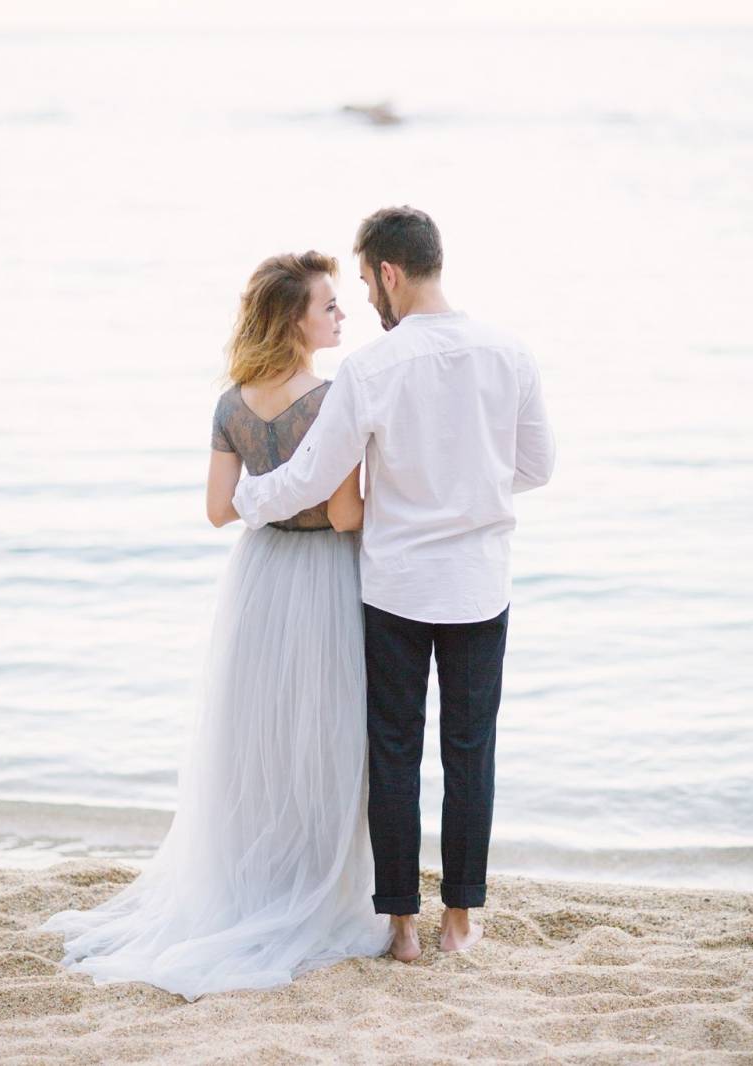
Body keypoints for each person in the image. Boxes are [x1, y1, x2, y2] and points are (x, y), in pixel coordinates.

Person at [39, 251, 393, 1001]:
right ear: (295, 320)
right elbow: (343, 514)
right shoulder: (330, 399)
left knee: (256, 741)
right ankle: (313, 888)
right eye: (329, 305)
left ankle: (256, 881)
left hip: (258, 578)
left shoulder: (232, 403)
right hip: (324, 578)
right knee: (323, 742)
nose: (341, 315)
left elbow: (217, 510)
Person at [232, 206, 556, 964]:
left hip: (397, 588)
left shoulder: (372, 370)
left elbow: (312, 474)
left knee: (394, 750)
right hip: (478, 583)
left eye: (370, 285)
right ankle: (459, 921)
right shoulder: (510, 353)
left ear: (389, 273)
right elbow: (538, 467)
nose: (369, 304)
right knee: (471, 749)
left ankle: (401, 928)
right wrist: (468, 479)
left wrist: (245, 503)